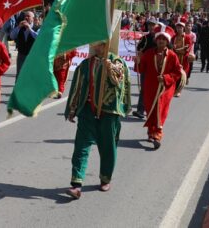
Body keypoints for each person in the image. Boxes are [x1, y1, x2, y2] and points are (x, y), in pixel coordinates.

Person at [64, 41, 131, 199]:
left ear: (106, 44)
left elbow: (118, 81)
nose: (95, 46)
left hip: (108, 113)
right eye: (94, 43)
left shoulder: (117, 62)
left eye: (99, 43)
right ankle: (76, 184)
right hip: (87, 111)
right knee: (81, 147)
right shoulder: (86, 64)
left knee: (108, 147)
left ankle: (105, 178)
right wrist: (73, 108)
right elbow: (77, 86)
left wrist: (110, 68)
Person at [136, 31, 183, 150]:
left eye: (163, 39)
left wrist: (166, 78)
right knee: (151, 109)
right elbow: (141, 70)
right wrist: (138, 60)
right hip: (150, 87)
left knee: (161, 110)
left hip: (165, 89)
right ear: (156, 41)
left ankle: (157, 135)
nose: (161, 41)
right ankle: (151, 132)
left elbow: (177, 73)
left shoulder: (172, 55)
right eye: (159, 39)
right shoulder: (148, 53)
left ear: (167, 42)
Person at [132, 17, 159, 119]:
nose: (151, 27)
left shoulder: (160, 38)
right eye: (150, 25)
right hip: (146, 68)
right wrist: (138, 58)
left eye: (153, 25)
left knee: (155, 91)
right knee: (143, 89)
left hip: (157, 68)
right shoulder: (145, 38)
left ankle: (152, 111)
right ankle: (140, 110)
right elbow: (139, 50)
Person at [9, 11, 39, 77]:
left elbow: (38, 37)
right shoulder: (20, 28)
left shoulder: (37, 28)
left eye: (28, 16)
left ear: (33, 19)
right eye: (25, 16)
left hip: (32, 55)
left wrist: (30, 29)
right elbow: (12, 36)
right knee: (19, 75)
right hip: (21, 54)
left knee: (31, 75)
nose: (26, 17)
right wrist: (18, 27)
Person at [172, 21, 193, 96]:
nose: (179, 29)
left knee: (182, 75)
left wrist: (180, 50)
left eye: (180, 27)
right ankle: (174, 89)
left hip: (183, 58)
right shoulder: (174, 37)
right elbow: (170, 46)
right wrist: (173, 48)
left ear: (183, 28)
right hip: (175, 58)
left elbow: (188, 47)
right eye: (178, 27)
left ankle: (179, 91)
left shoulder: (187, 37)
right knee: (174, 73)